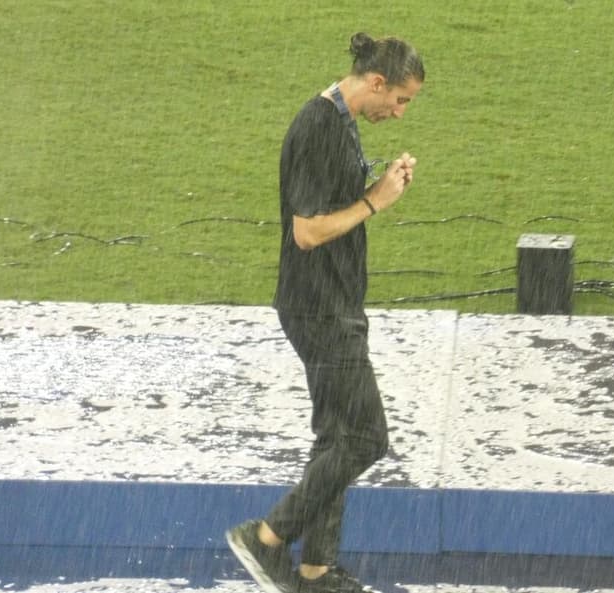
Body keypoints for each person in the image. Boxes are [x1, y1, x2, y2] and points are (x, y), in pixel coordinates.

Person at [226, 32, 425, 593]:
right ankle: (265, 538)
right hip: (320, 310)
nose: (400, 112)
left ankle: (315, 571)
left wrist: (378, 186)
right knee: (366, 438)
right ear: (377, 82)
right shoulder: (319, 127)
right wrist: (375, 200)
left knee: (337, 436)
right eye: (401, 100)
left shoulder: (341, 121)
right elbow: (308, 232)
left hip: (330, 303)